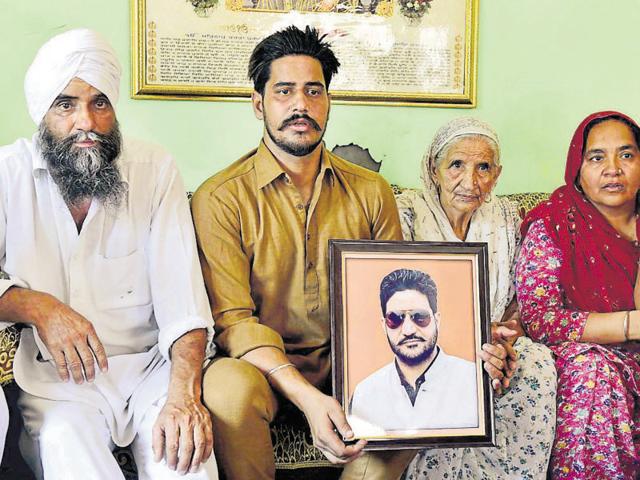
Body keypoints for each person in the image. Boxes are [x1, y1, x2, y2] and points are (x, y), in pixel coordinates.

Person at [191, 25, 422, 480]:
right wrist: (308, 398)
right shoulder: (219, 198)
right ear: (259, 104)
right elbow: (233, 323)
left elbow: (399, 296)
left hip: (352, 367)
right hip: (265, 374)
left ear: (328, 101)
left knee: (416, 389)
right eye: (284, 91)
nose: (301, 105)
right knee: (223, 387)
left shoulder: (371, 191)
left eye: (313, 91)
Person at [0, 29, 217, 479]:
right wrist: (40, 307)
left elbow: (184, 300)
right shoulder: (8, 174)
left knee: (187, 466)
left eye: (100, 102)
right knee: (70, 454)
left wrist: (183, 395)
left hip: (152, 375)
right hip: (58, 385)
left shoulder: (154, 169)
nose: (87, 122)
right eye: (67, 104)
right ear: (42, 110)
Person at [397, 117, 557, 480]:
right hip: (426, 341)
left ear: (497, 175)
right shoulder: (406, 213)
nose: (470, 181)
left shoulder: (506, 217)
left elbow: (519, 304)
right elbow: (393, 294)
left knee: (537, 361)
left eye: (483, 167)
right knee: (459, 370)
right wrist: (464, 343)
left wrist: (504, 338)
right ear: (434, 169)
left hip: (494, 342)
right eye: (456, 164)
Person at [516, 111, 640, 480]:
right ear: (577, 168)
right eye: (597, 157)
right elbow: (541, 319)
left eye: (627, 155)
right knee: (593, 373)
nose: (613, 169)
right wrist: (630, 325)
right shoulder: (554, 223)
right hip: (586, 357)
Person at [349, 268, 478, 434]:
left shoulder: (473, 381)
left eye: (419, 316)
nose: (408, 330)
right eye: (395, 318)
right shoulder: (365, 394)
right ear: (384, 325)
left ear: (437, 320)